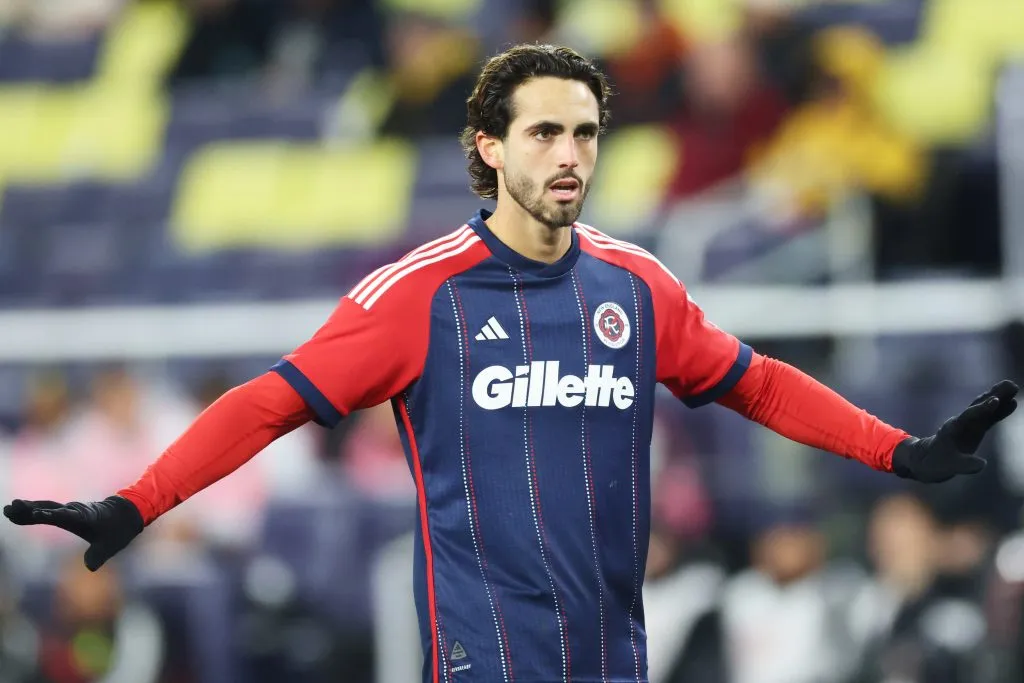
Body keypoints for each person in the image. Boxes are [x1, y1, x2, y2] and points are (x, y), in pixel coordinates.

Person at [3, 44, 1019, 683]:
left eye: (585, 132)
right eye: (543, 133)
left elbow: (753, 380)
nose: (569, 153)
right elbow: (270, 402)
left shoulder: (638, 286)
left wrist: (899, 450)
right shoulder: (418, 294)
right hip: (484, 655)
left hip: (616, 654)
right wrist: (136, 502)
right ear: (489, 147)